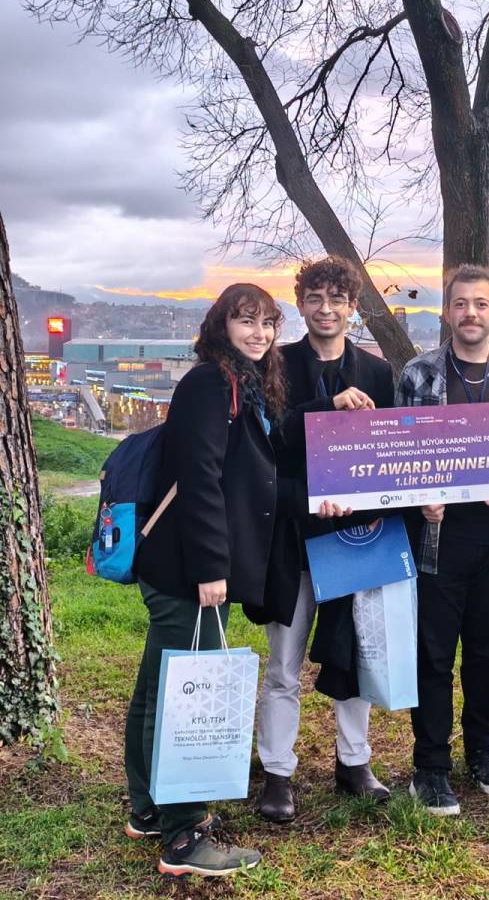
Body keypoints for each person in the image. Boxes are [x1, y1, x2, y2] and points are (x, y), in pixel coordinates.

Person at [124, 283, 285, 877]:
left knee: (157, 687)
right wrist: (212, 569)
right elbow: (200, 479)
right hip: (187, 570)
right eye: (246, 321)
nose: (259, 333)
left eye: (267, 322)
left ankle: (148, 808)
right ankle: (184, 835)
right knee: (187, 698)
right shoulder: (209, 385)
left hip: (175, 565)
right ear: (222, 325)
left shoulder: (241, 384)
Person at [247, 256, 393, 823]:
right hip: (292, 534)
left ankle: (354, 763)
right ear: (300, 303)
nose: (326, 309)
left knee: (354, 654)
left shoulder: (377, 373)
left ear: (353, 307)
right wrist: (325, 409)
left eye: (337, 299)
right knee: (283, 663)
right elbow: (266, 443)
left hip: (355, 536)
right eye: (315, 298)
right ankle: (277, 773)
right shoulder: (274, 365)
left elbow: (388, 452)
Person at [397, 264, 489, 817]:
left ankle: (483, 750)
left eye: (481, 304)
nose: (470, 314)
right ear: (446, 312)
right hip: (437, 541)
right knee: (433, 656)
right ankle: (430, 766)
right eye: (460, 304)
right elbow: (396, 454)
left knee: (486, 653)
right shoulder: (418, 375)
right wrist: (417, 498)